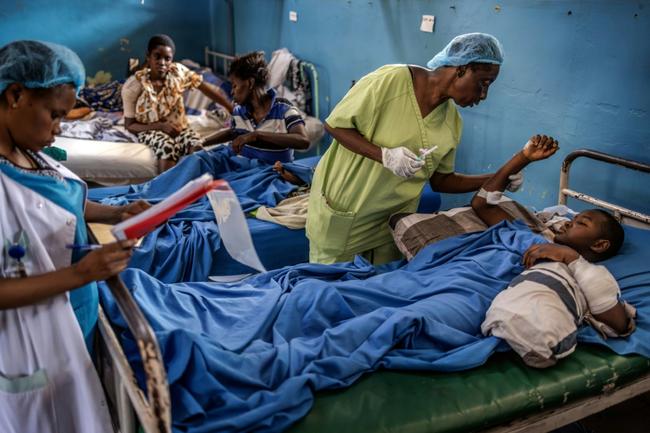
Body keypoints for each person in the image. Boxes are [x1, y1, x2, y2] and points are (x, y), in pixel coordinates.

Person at [0, 40, 150, 432]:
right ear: (15, 95)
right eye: (54, 114)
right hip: (27, 346)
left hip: (73, 319)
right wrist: (82, 274)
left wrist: (119, 211)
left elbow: (56, 203)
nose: (59, 128)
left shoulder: (26, 150)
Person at [306, 33, 514, 265]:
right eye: (483, 83)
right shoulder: (391, 80)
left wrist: (498, 177)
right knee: (328, 289)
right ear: (462, 69)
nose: (484, 95)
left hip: (392, 221)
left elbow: (441, 181)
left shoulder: (452, 122)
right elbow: (335, 125)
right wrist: (384, 155)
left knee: (376, 291)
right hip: (347, 211)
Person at [472, 135, 636, 367]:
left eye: (581, 222)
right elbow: (482, 205)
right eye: (574, 217)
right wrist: (523, 158)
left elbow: (619, 323)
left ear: (599, 245)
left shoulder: (589, 274)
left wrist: (572, 259)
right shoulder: (537, 239)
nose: (568, 221)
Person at [122, 34, 234, 172]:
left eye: (167, 58)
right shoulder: (133, 86)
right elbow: (129, 125)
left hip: (179, 127)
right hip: (149, 129)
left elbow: (205, 88)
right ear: (148, 56)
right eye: (157, 56)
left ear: (171, 60)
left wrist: (231, 108)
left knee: (196, 143)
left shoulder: (178, 73)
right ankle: (166, 189)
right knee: (167, 146)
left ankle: (196, 185)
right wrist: (161, 126)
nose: (162, 62)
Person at [203, 51, 310, 163]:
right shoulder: (239, 112)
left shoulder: (284, 109)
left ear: (250, 83)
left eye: (235, 86)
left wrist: (257, 135)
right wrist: (202, 142)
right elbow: (234, 133)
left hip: (270, 172)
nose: (232, 92)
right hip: (242, 168)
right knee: (200, 159)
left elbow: (303, 141)